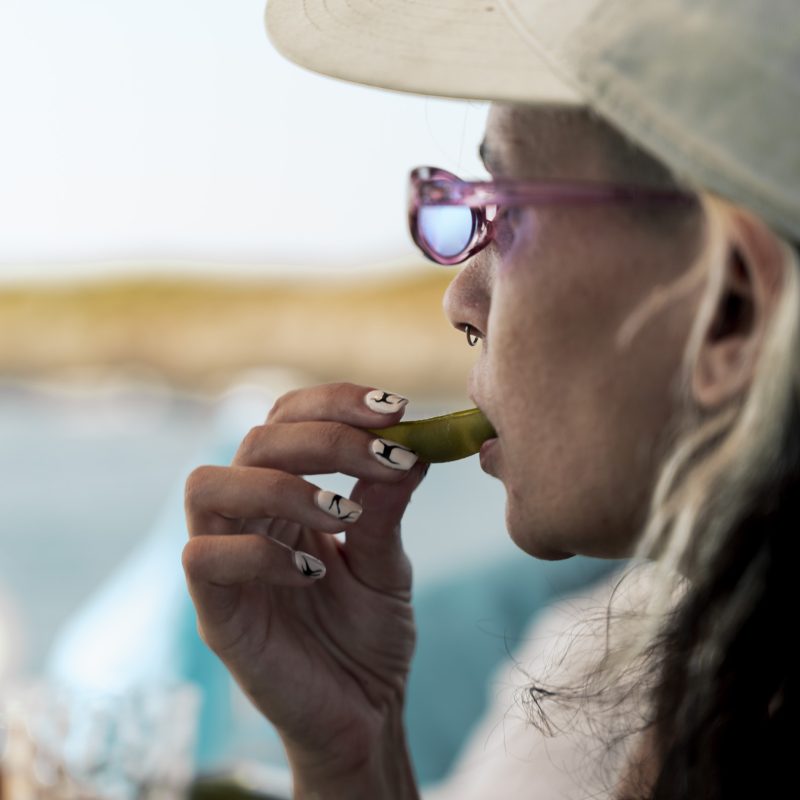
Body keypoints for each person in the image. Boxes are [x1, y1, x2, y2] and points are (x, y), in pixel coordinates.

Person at [182, 1, 796, 798]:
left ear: (730, 309)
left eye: (507, 210)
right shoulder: (715, 670)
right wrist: (351, 753)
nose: (460, 299)